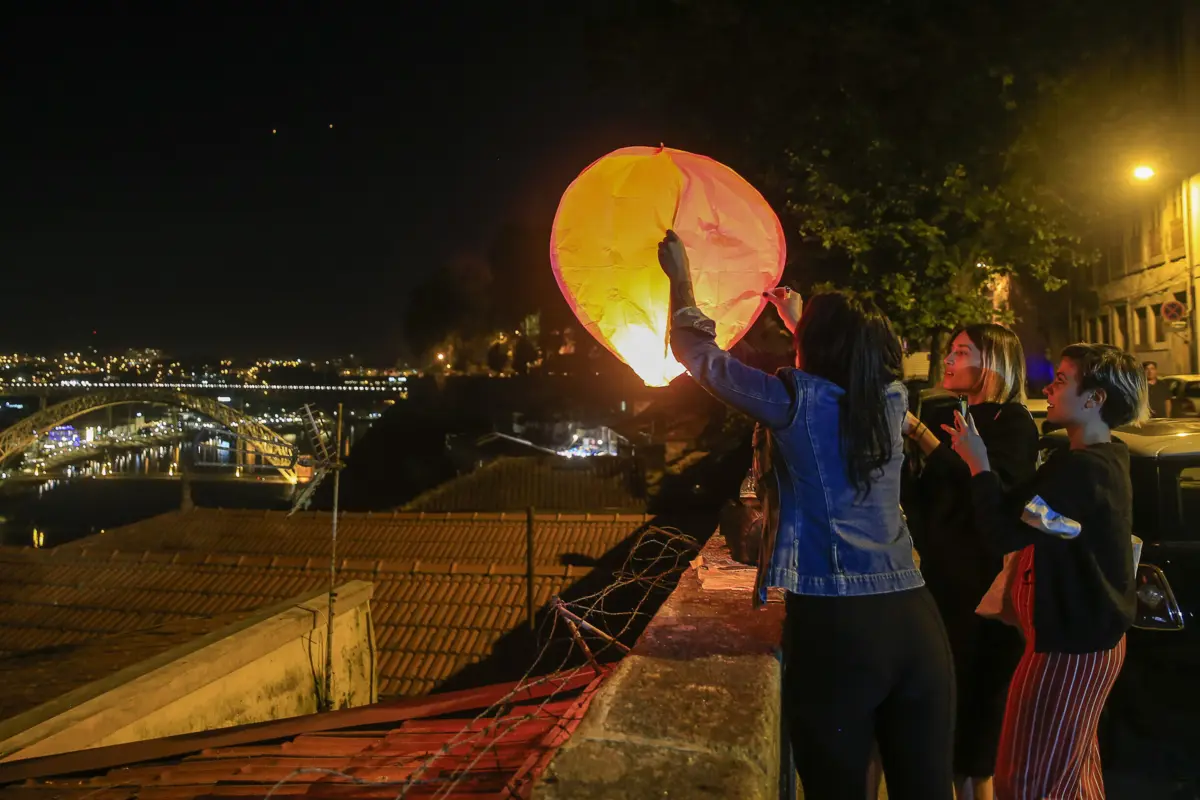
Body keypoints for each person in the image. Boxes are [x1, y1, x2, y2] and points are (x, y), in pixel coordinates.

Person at [657, 230, 954, 800]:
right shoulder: (890, 399)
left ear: (817, 347)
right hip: (915, 620)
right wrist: (802, 323)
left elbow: (701, 359)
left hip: (840, 627)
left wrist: (682, 279)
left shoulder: (795, 402)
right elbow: (853, 361)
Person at [945, 343, 1146, 799]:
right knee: (1069, 773)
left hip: (1069, 647)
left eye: (1061, 380)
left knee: (1028, 778)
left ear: (1094, 399)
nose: (1048, 389)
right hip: (1082, 641)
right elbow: (1028, 515)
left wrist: (979, 464)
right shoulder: (1103, 459)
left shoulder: (1083, 471)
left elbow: (1004, 533)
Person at [903, 325, 1038, 800]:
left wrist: (920, 437)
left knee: (978, 717)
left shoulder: (1014, 423)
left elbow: (985, 492)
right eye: (952, 350)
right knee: (947, 711)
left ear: (994, 361)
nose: (949, 359)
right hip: (941, 584)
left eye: (963, 352)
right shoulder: (957, 414)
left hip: (980, 591)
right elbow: (932, 498)